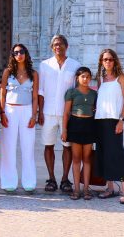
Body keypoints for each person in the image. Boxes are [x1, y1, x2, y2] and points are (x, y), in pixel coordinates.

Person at [38, 34, 81, 193]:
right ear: (51, 47)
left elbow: (77, 90)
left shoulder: (75, 65)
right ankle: (51, 178)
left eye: (61, 44)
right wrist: (40, 112)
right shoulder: (44, 65)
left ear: (66, 46)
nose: (58, 47)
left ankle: (65, 179)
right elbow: (41, 90)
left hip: (67, 114)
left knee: (67, 146)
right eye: (55, 44)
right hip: (48, 111)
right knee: (48, 145)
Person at [0, 44, 39, 193]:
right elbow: (2, 93)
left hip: (27, 110)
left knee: (28, 146)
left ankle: (29, 182)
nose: (19, 54)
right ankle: (9, 181)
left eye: (21, 52)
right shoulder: (8, 72)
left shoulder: (33, 73)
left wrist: (34, 115)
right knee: (8, 146)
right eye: (16, 52)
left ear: (26, 54)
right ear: (13, 56)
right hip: (10, 110)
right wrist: (2, 113)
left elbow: (35, 97)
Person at [95, 48, 124, 204]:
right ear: (101, 62)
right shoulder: (101, 79)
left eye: (110, 59)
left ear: (115, 61)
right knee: (103, 153)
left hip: (114, 120)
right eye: (105, 60)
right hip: (100, 120)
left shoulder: (121, 78)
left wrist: (121, 120)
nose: (108, 62)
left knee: (117, 153)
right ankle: (109, 188)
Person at [61, 66, 97, 200]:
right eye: (83, 76)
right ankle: (76, 189)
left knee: (87, 159)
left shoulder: (94, 94)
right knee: (76, 159)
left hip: (89, 126)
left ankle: (86, 189)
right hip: (75, 125)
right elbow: (66, 113)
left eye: (88, 77)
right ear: (77, 78)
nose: (85, 79)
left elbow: (95, 110)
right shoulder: (71, 92)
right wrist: (64, 130)